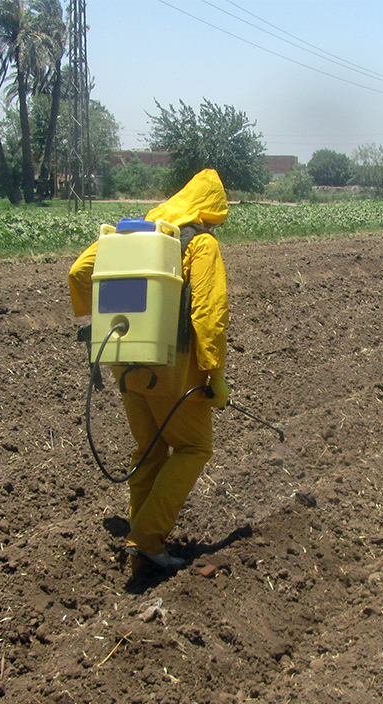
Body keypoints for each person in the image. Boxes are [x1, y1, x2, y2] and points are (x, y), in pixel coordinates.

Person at [68, 169, 230, 575]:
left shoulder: (135, 234)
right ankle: (147, 539)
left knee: (150, 450)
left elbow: (78, 272)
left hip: (123, 357)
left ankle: (137, 538)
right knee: (193, 448)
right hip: (170, 366)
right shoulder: (199, 243)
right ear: (210, 213)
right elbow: (209, 316)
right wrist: (215, 375)